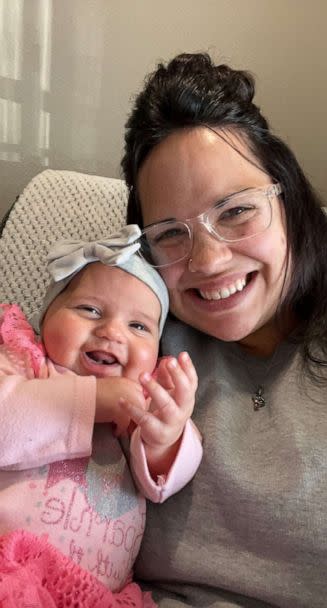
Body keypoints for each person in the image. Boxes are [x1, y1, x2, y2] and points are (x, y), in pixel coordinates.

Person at [121, 52, 327, 607]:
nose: (209, 261)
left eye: (235, 211)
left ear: (286, 197)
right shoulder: (135, 335)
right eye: (170, 233)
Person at [0, 225, 202, 607]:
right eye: (89, 310)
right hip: (10, 568)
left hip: (96, 596)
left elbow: (161, 483)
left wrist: (166, 437)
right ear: (45, 320)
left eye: (138, 326)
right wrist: (91, 400)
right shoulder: (23, 362)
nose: (111, 332)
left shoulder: (139, 396)